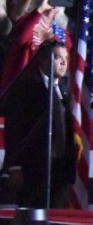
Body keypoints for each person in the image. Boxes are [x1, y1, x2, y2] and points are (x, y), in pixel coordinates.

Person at [0, 42, 75, 208]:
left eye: (66, 58)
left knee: (58, 218)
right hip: (33, 168)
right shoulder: (26, 88)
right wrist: (15, 166)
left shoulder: (64, 89)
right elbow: (15, 128)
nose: (64, 63)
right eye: (58, 58)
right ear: (43, 60)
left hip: (59, 169)